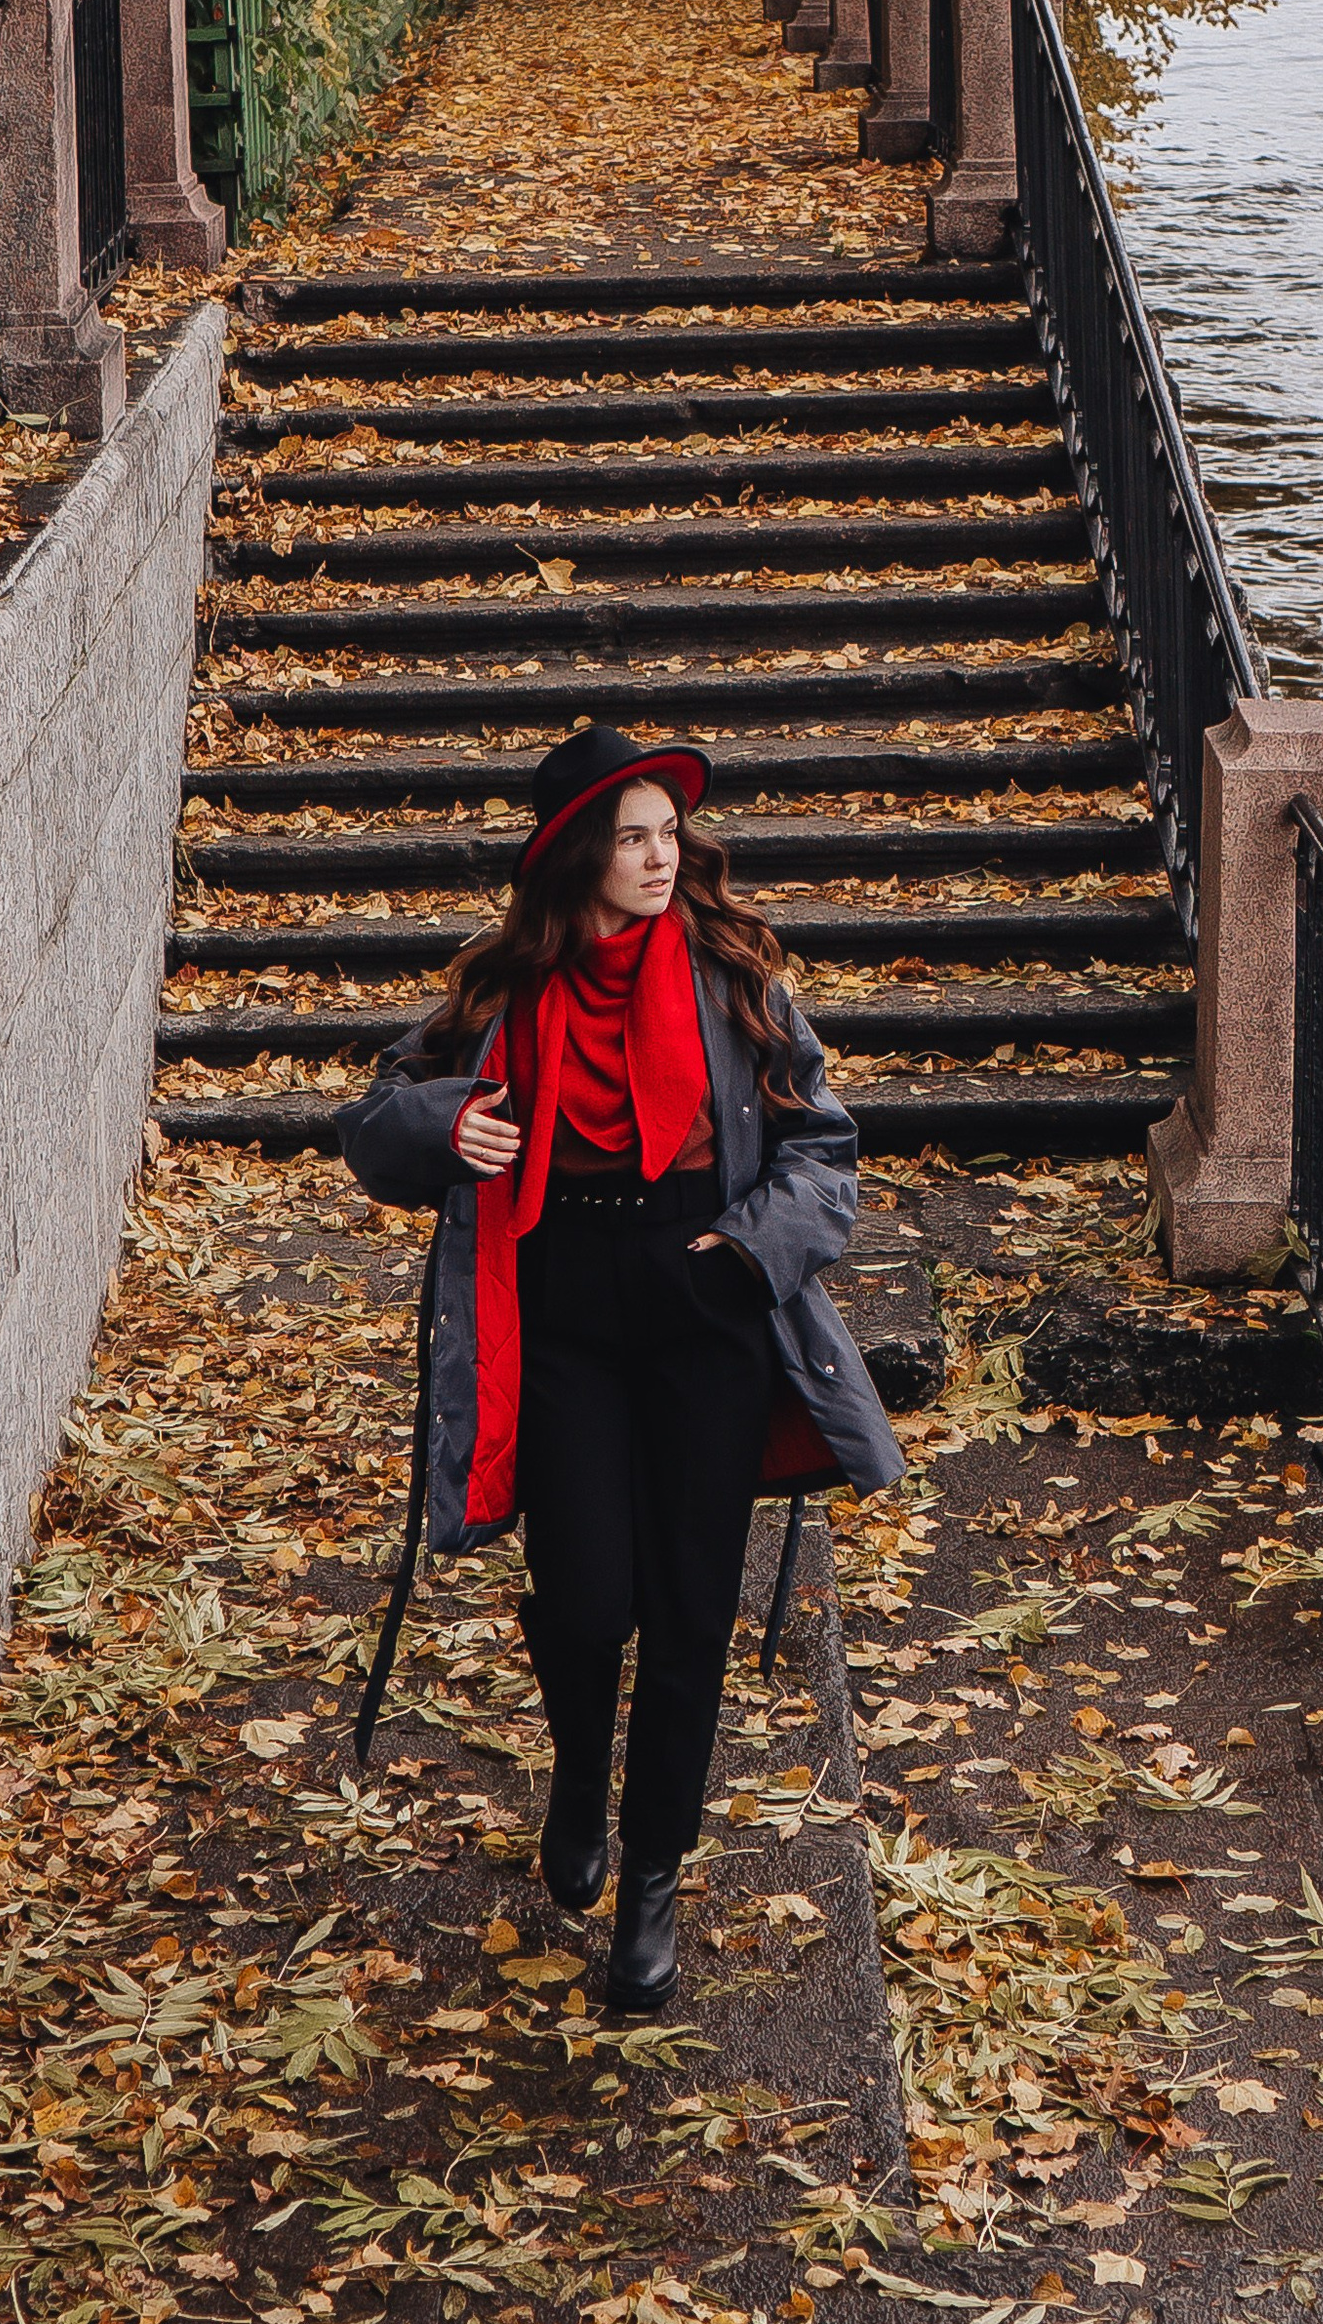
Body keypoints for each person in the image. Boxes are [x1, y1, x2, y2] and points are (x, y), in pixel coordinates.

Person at [334, 723, 901, 2011]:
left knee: (692, 1610)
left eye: (669, 834)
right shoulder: (503, 994)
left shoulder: (736, 977)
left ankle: (653, 1877)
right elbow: (371, 1126)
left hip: (704, 1301)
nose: (662, 858)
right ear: (578, 855)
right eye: (634, 837)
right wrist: (447, 1125)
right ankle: (580, 1774)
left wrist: (743, 1257)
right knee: (588, 1598)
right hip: (565, 1311)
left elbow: (825, 1151)